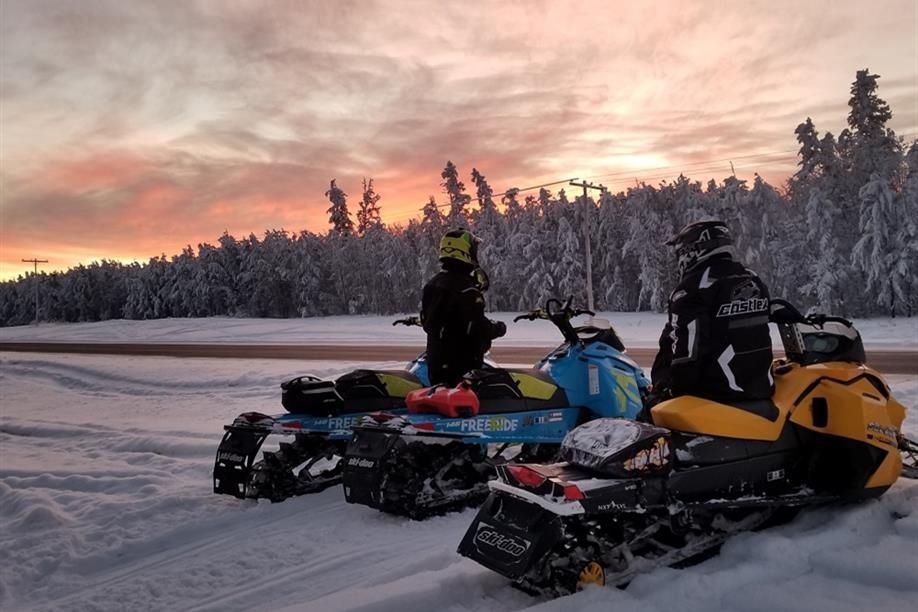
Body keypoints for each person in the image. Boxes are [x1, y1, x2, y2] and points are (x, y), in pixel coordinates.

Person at [649, 220, 773, 406]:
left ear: (693, 250)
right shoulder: (752, 279)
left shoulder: (694, 288)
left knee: (649, 416)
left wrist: (672, 390)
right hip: (760, 390)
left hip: (714, 396)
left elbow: (688, 348)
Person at [421, 229, 506, 386]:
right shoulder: (466, 289)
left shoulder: (433, 284)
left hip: (437, 367)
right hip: (461, 371)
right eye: (473, 249)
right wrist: (497, 328)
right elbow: (476, 327)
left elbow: (430, 321)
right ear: (465, 252)